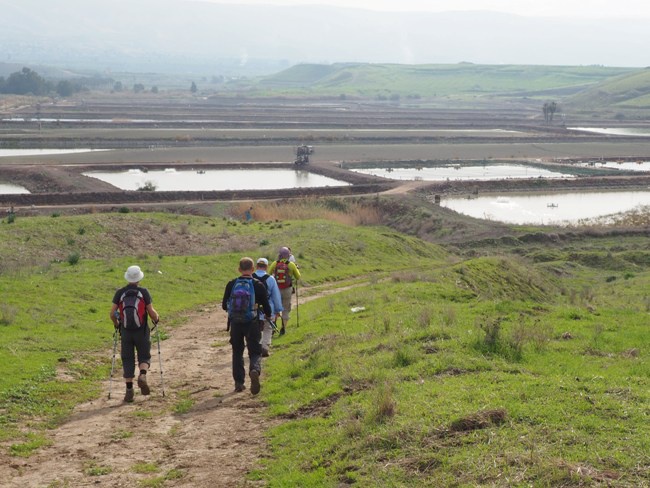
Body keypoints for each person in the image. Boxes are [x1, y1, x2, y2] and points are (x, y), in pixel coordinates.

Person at [110, 265, 160, 403]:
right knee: (144, 355)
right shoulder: (143, 292)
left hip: (125, 331)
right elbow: (151, 312)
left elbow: (112, 313)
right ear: (139, 278)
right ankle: (142, 375)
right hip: (141, 330)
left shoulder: (120, 293)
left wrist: (117, 324)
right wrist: (157, 319)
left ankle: (129, 390)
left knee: (127, 358)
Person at [222, 257, 272, 394]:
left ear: (239, 269)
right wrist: (267, 314)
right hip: (252, 322)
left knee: (237, 352)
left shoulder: (231, 284)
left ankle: (239, 383)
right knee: (255, 351)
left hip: (235, 323)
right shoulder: (258, 285)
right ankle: (254, 370)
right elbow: (267, 308)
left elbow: (223, 305)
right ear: (253, 269)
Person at [254, 257, 283, 357]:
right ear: (266, 267)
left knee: (255, 329)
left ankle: (256, 346)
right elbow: (276, 295)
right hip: (268, 308)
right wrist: (278, 309)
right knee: (268, 328)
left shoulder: (250, 277)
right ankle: (265, 346)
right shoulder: (271, 279)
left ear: (256, 266)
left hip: (253, 309)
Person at [268, 247, 301, 335]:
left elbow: (268, 274)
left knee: (275, 308)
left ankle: (274, 325)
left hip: (276, 289)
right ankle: (283, 327)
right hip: (287, 289)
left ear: (280, 255)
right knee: (285, 309)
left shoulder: (275, 263)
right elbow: (298, 277)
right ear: (288, 255)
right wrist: (296, 269)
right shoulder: (291, 264)